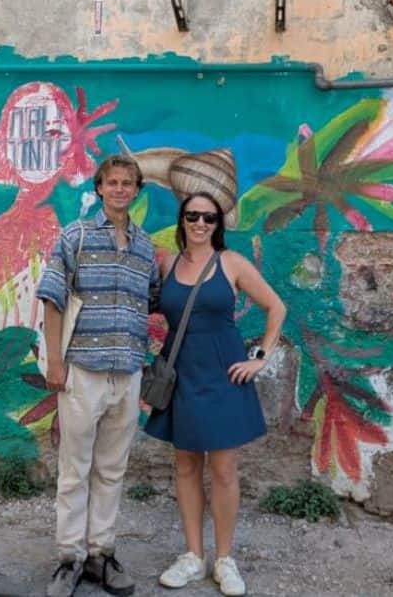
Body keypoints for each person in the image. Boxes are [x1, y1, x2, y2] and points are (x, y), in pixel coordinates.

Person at [144, 192, 286, 597]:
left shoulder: (232, 263)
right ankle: (193, 555)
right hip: (181, 372)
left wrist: (260, 358)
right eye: (193, 215)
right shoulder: (167, 264)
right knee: (186, 465)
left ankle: (225, 559)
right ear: (183, 220)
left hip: (224, 374)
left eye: (209, 217)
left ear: (217, 223)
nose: (201, 223)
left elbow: (276, 308)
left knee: (223, 469)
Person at [36, 154, 160, 597]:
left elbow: (151, 301)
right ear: (100, 188)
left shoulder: (146, 248)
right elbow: (52, 298)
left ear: (137, 190)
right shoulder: (78, 236)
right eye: (113, 182)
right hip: (82, 372)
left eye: (129, 183)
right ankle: (68, 558)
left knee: (112, 469)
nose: (121, 189)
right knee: (75, 470)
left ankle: (100, 555)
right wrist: (55, 362)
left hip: (126, 373)